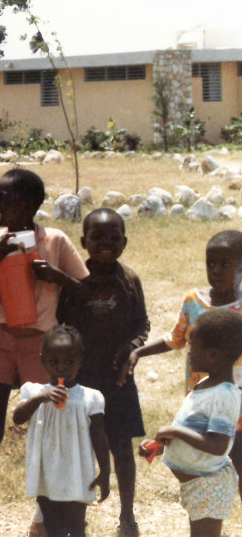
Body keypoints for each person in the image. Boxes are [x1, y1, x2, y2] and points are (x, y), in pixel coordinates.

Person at [0, 168, 89, 537]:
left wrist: (53, 275)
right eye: (1, 201)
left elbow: (83, 290)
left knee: (47, 427)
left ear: (34, 205)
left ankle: (42, 513)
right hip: (1, 339)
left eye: (16, 202)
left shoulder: (53, 240)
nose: (7, 209)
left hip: (42, 346)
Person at [125, 229, 242, 498]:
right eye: (210, 263)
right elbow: (176, 339)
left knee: (238, 463)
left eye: (225, 264)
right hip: (200, 400)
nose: (216, 270)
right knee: (202, 472)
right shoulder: (193, 301)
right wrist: (139, 352)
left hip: (236, 403)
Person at [55, 208, 149, 536]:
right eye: (97, 237)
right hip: (81, 379)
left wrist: (132, 350)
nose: (106, 243)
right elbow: (60, 325)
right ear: (84, 241)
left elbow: (142, 323)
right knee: (77, 447)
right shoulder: (75, 279)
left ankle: (127, 515)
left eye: (114, 237)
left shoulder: (130, 279)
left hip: (117, 377)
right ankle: (72, 516)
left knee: (121, 446)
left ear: (125, 241)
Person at [138, 309, 242, 537]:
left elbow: (218, 445)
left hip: (209, 487)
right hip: (198, 486)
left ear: (213, 355)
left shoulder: (224, 395)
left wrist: (175, 431)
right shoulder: (205, 385)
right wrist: (161, 446)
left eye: (193, 347)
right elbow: (195, 431)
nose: (188, 352)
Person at [12, 325, 111, 537]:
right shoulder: (34, 392)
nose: (61, 368)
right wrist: (42, 398)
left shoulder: (89, 398)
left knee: (76, 527)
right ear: (42, 360)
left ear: (80, 361)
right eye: (54, 362)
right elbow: (18, 418)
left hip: (78, 474)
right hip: (46, 476)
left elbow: (99, 438)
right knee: (52, 526)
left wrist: (105, 471)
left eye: (69, 362)